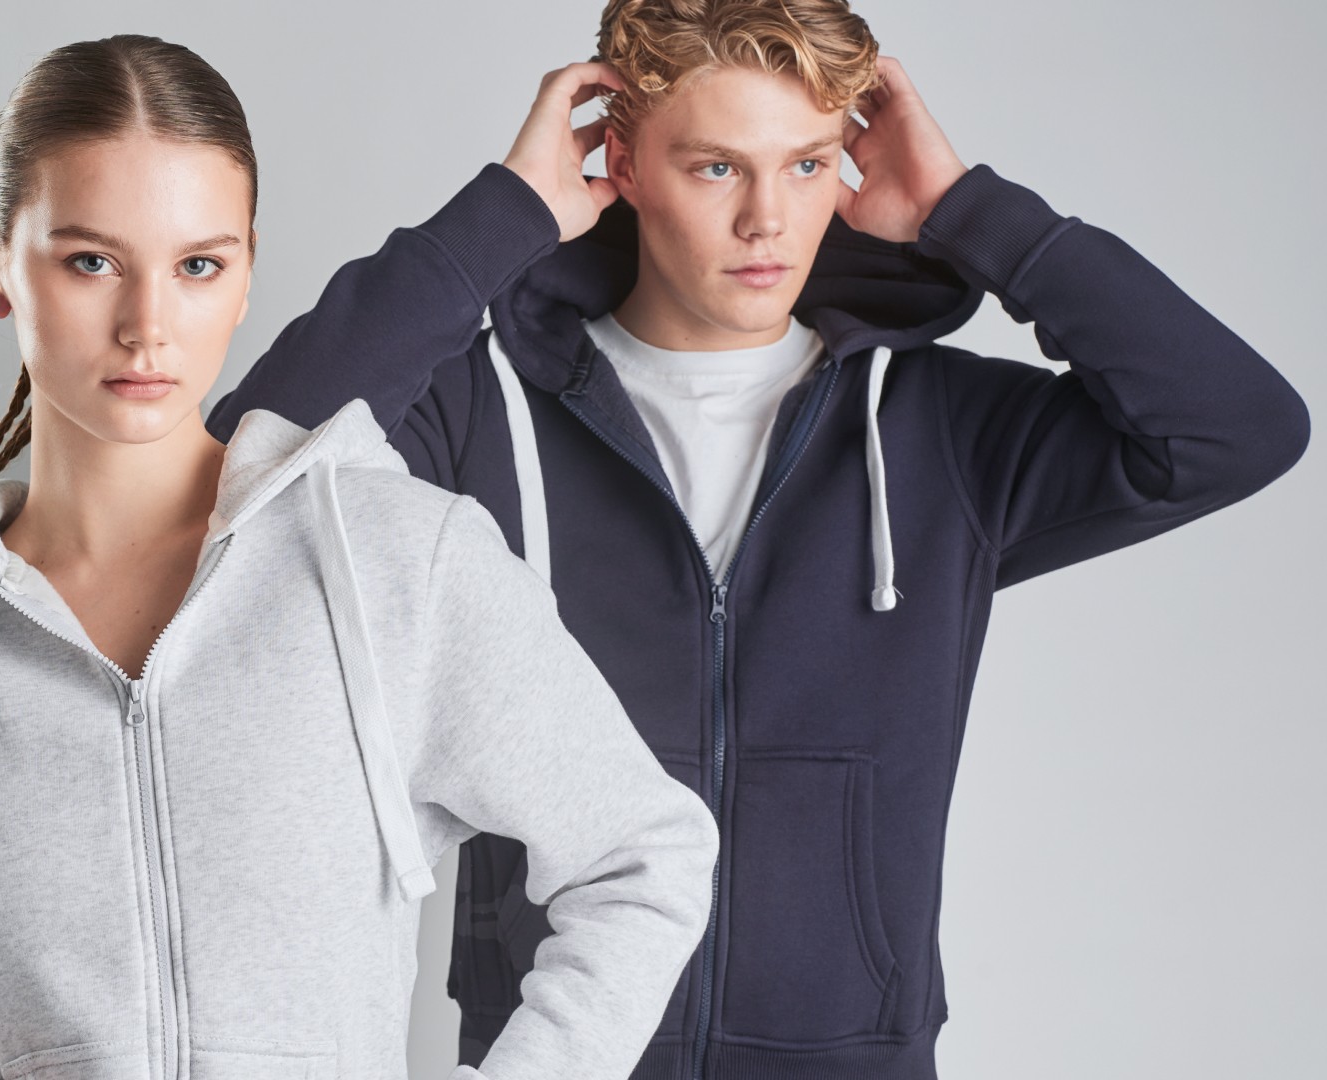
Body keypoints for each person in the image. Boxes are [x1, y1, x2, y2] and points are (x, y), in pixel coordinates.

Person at [206, 1, 1310, 1077]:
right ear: (623, 162)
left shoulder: (939, 429)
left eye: (808, 163)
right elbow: (247, 470)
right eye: (717, 167)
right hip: (559, 1053)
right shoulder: (478, 417)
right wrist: (503, 217)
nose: (768, 220)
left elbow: (1239, 428)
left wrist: (972, 212)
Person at [0, 34, 718, 1080]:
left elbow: (642, 857)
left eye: (197, 266)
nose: (147, 327)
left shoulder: (398, 566)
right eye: (91, 261)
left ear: (244, 273)